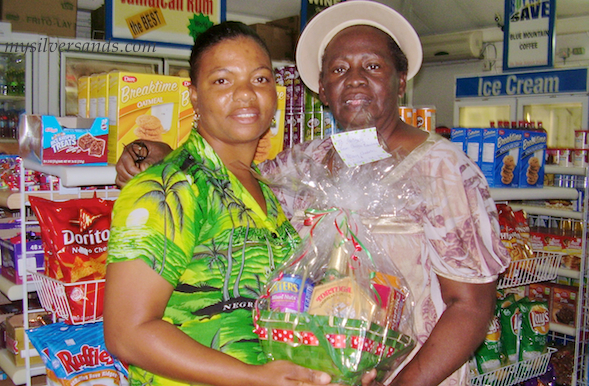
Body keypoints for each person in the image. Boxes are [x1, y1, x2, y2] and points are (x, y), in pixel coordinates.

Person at [114, 2, 511, 386]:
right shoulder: (300, 166)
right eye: (339, 69)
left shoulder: (443, 170)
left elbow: (471, 306)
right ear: (322, 88)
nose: (355, 78)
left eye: (373, 66)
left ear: (401, 80)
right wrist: (165, 155)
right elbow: (220, 170)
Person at [104, 21, 364, 386]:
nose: (245, 94)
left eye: (259, 79)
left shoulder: (265, 187)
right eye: (223, 81)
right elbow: (126, 333)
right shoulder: (169, 187)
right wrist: (253, 376)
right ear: (194, 95)